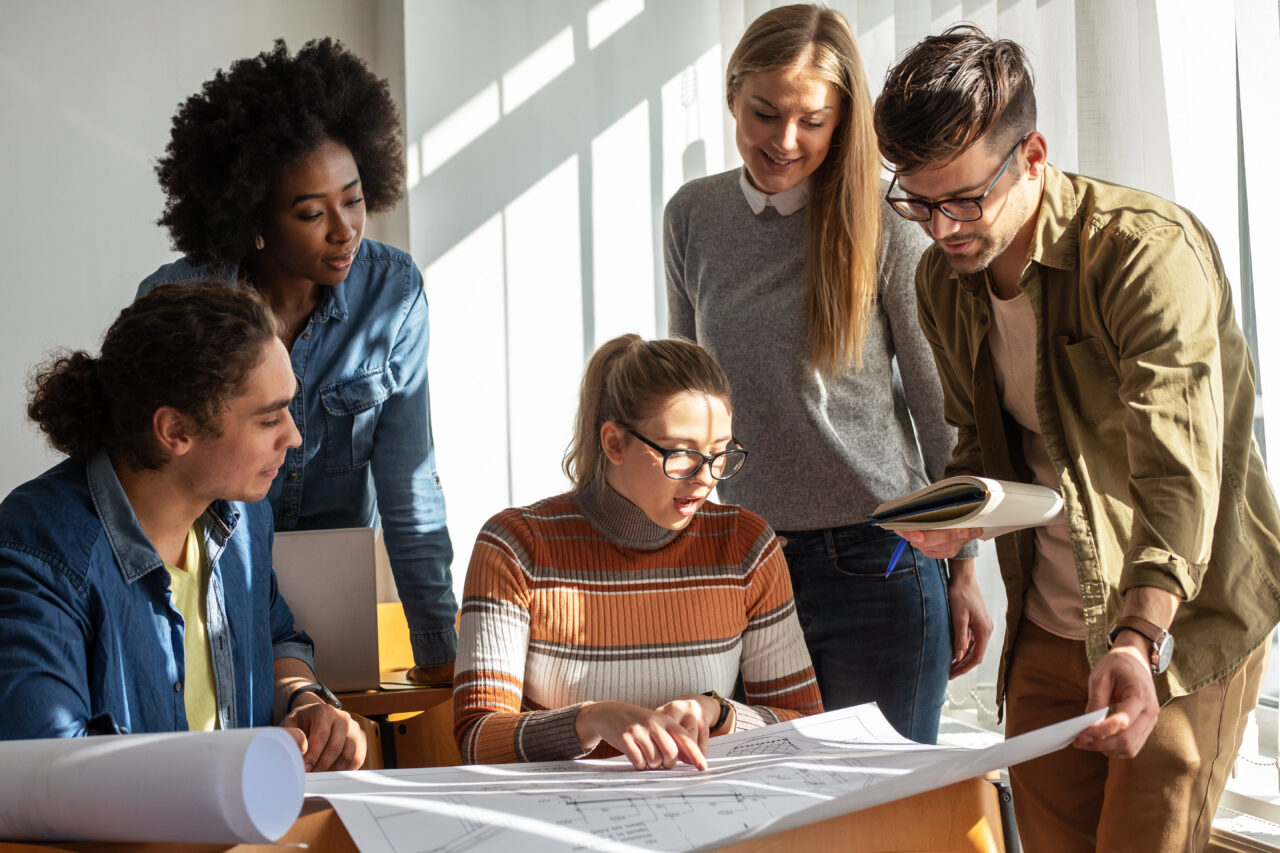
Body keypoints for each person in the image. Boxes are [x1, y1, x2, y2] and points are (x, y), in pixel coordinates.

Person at [873, 25, 1280, 851]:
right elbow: (979, 447)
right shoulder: (939, 282)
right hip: (1047, 627)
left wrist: (1137, 637)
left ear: (1031, 155)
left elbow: (1179, 476)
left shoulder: (1142, 256)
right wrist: (955, 527)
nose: (942, 228)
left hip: (1176, 628)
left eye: (963, 199)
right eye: (917, 201)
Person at [663, 3, 990, 744]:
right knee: (759, 805)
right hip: (743, 562)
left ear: (843, 120)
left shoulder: (887, 215)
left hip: (882, 560)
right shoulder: (692, 216)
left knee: (879, 812)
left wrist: (966, 565)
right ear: (731, 96)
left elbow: (940, 404)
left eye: (812, 120)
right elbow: (684, 405)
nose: (784, 140)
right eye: (764, 113)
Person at [137, 38, 456, 684]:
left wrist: (444, 656)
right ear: (255, 216)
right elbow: (149, 487)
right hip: (210, 586)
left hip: (340, 602)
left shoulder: (392, 294)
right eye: (311, 212)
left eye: (355, 197)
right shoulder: (178, 302)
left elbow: (410, 485)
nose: (345, 230)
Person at [0, 283, 365, 771]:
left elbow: (277, 636)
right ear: (175, 431)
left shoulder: (243, 518)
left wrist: (307, 701)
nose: (294, 436)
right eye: (268, 418)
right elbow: (50, 770)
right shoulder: (37, 553)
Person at [453, 334, 823, 770]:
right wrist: (590, 720)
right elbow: (477, 737)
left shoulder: (746, 545)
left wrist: (720, 713)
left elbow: (804, 726)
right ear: (614, 444)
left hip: (703, 817)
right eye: (683, 454)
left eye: (720, 453)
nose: (706, 478)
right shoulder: (515, 546)